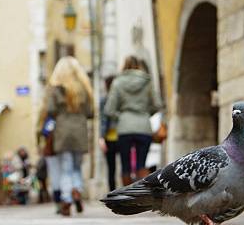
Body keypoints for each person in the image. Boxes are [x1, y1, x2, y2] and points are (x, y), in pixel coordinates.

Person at [45, 56, 94, 216]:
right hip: (79, 130)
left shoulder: (55, 88)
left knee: (66, 168)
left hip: (63, 131)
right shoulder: (84, 88)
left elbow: (51, 110)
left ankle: (66, 199)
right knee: (76, 166)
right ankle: (77, 190)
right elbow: (89, 112)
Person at [104, 56, 162, 186]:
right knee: (142, 164)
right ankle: (143, 196)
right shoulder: (147, 81)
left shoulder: (118, 82)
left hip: (125, 127)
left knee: (125, 166)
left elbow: (109, 109)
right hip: (143, 126)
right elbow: (157, 104)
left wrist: (121, 116)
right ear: (139, 66)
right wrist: (146, 112)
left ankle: (127, 199)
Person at [99, 75, 118, 191]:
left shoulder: (104, 100)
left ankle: (112, 192)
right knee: (127, 165)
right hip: (122, 135)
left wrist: (101, 137)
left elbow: (103, 120)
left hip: (109, 138)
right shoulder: (121, 99)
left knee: (111, 168)